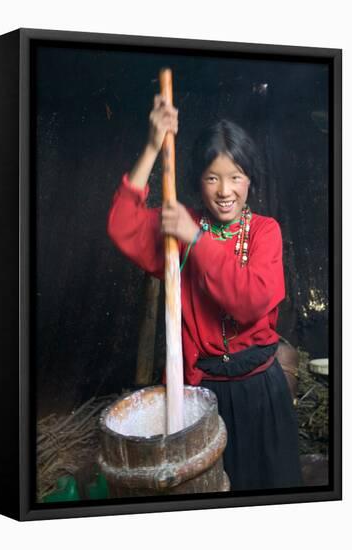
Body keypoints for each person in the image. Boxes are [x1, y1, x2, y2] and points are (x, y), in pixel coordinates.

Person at [107, 94, 303, 491]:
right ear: (199, 181)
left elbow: (250, 302)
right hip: (202, 395)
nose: (225, 190)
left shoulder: (264, 232)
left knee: (270, 498)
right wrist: (151, 144)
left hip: (260, 395)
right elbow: (122, 225)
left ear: (250, 180)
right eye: (213, 177)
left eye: (236, 177)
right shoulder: (183, 225)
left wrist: (194, 239)